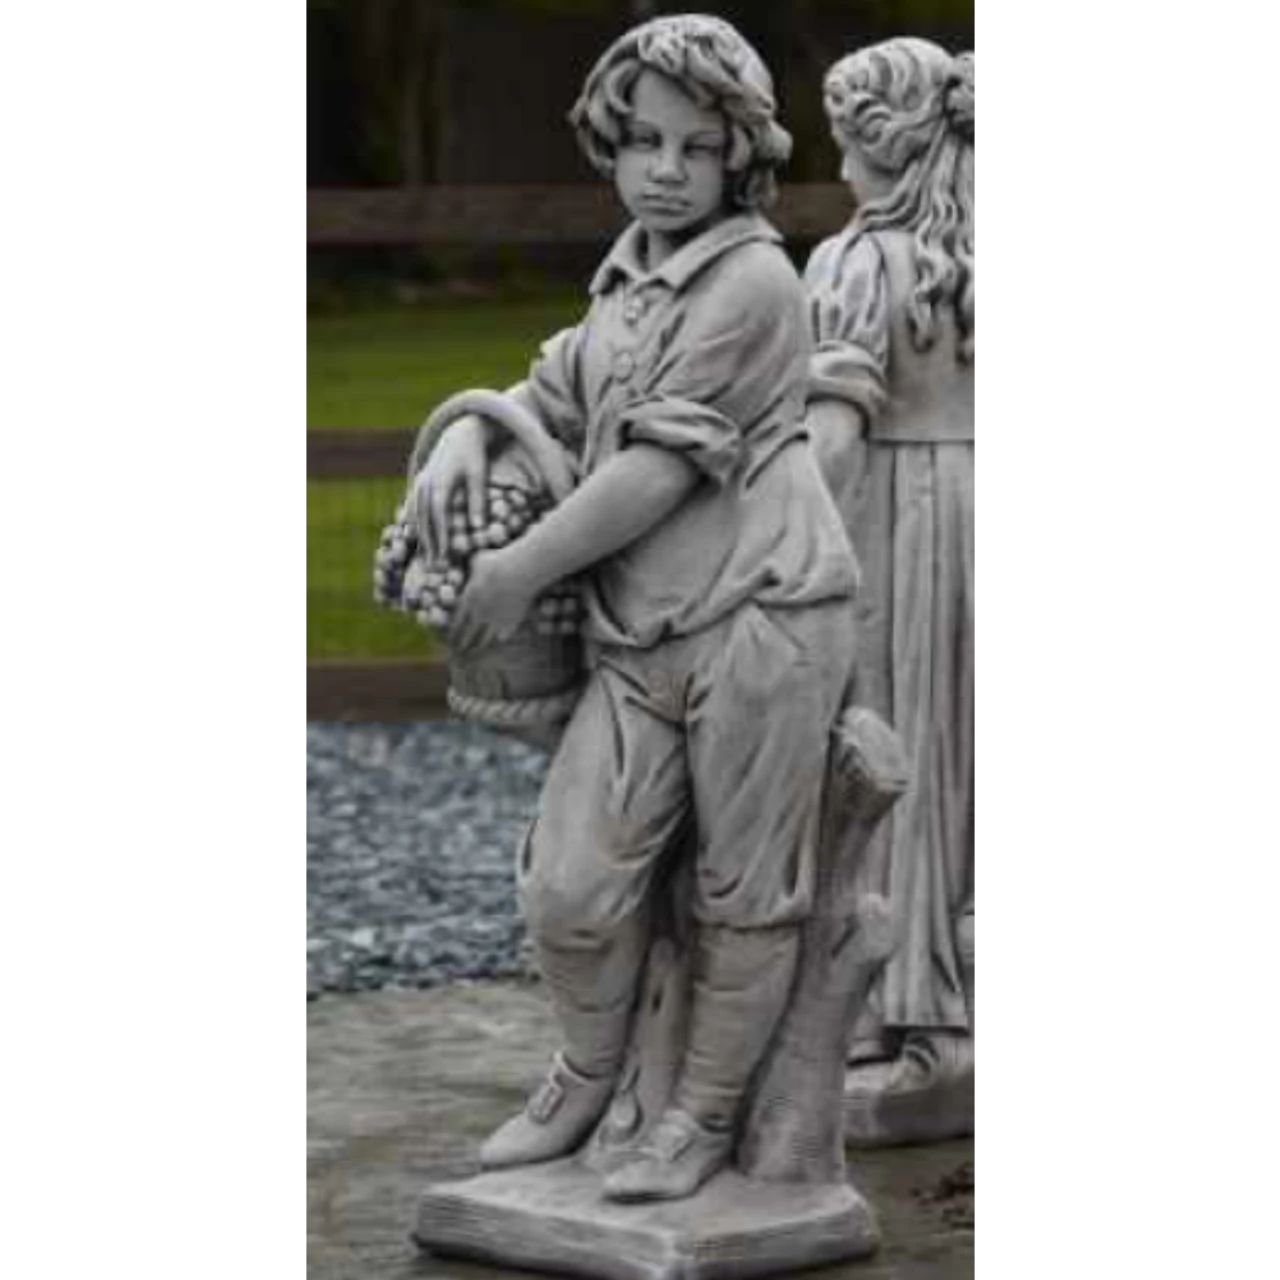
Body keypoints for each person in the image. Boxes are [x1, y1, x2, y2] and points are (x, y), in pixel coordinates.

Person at [413, 14, 859, 1200]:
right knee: (569, 882)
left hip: (763, 616)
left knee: (743, 892)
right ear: (608, 145)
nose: (664, 170)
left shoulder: (753, 282)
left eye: (695, 148)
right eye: (643, 141)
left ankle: (698, 1117)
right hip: (639, 628)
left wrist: (518, 568)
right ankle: (585, 1071)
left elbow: (652, 473)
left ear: (738, 158)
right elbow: (551, 390)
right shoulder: (624, 277)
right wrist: (466, 430)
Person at [802, 38, 976, 1141]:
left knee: (885, 753)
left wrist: (773, 542)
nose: (836, 162)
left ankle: (899, 1015)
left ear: (880, 142)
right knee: (958, 754)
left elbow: (830, 436)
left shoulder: (856, 262)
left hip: (895, 513)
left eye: (844, 137)